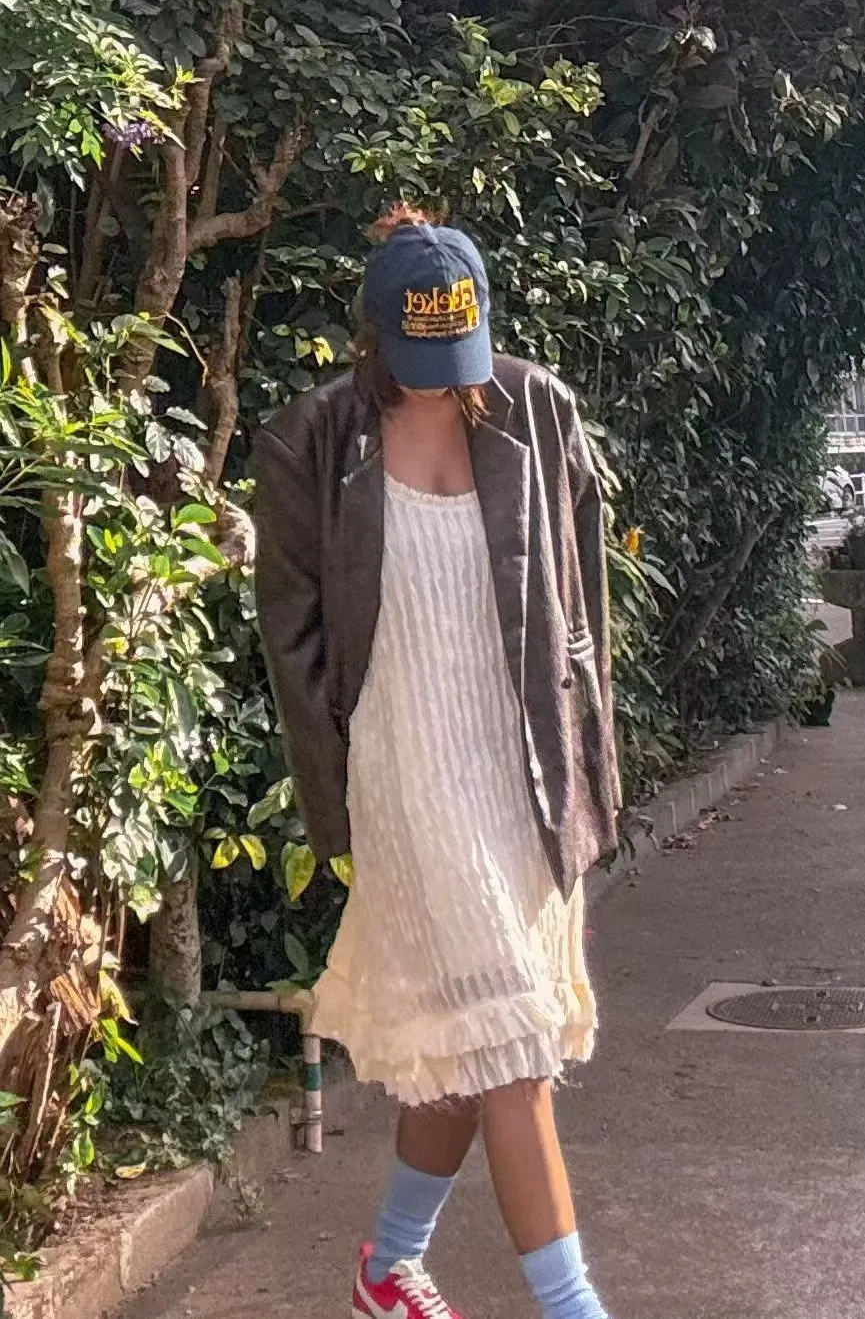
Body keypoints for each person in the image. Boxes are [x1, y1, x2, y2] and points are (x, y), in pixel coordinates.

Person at [252, 204, 621, 1319]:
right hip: (406, 778)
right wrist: (342, 802)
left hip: (522, 780)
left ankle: (385, 1269)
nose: (446, 381)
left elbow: (582, 610)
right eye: (420, 358)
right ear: (373, 336)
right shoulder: (311, 440)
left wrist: (591, 770)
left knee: (465, 1049)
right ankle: (574, 1310)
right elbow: (293, 641)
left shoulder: (537, 410)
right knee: (511, 1053)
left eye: (459, 352)